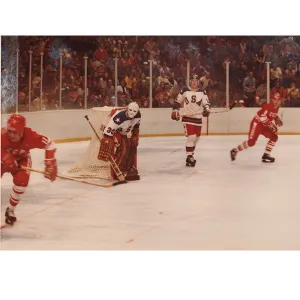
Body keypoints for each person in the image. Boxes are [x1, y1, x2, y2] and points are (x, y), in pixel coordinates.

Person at [1, 114, 57, 225]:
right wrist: (4, 157)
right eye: (10, 131)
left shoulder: (31, 136)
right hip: (3, 160)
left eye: (15, 132)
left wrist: (50, 164)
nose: (11, 135)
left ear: (22, 132)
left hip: (22, 159)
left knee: (21, 183)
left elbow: (50, 144)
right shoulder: (2, 135)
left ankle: (10, 210)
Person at [230, 93, 283, 163]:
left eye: (278, 100)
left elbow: (271, 114)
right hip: (257, 123)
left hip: (265, 125)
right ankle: (235, 150)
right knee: (251, 143)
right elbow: (262, 117)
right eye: (275, 100)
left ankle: (266, 154)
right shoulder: (268, 106)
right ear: (272, 100)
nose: (276, 102)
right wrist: (272, 125)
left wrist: (276, 118)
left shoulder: (277, 107)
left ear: (280, 101)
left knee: (274, 137)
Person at [171, 74, 210, 167]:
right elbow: (177, 101)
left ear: (198, 83)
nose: (194, 82)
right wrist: (175, 110)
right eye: (192, 80)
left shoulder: (202, 92)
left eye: (195, 81)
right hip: (187, 118)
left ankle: (190, 154)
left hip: (198, 119)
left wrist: (207, 110)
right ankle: (189, 157)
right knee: (191, 137)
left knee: (196, 139)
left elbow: (206, 103)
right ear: (190, 82)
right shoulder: (185, 90)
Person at [98, 102, 141, 180]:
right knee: (123, 149)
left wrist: (135, 136)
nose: (132, 113)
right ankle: (117, 170)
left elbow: (136, 126)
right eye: (130, 110)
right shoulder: (119, 117)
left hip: (124, 132)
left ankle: (127, 168)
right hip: (114, 132)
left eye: (134, 111)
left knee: (132, 147)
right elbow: (107, 132)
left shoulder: (138, 115)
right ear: (127, 109)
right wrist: (108, 143)